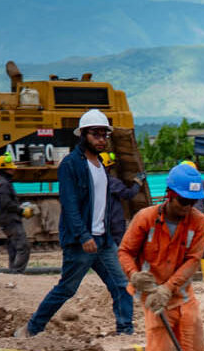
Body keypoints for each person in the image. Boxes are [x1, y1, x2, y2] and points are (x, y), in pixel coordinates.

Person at [17, 109, 134, 337]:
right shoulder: (71, 165)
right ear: (83, 135)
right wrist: (84, 236)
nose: (101, 139)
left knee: (121, 286)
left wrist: (105, 235)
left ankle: (125, 331)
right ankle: (32, 329)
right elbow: (69, 205)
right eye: (95, 134)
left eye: (104, 135)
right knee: (67, 288)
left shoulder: (101, 166)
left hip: (103, 240)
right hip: (83, 242)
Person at [117, 162, 204, 351]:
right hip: (153, 299)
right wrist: (134, 275)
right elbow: (125, 252)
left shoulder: (198, 222)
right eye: (184, 201)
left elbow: (193, 260)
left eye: (193, 202)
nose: (187, 207)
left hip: (182, 296)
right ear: (169, 195)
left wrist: (169, 287)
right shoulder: (145, 219)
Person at [0, 153, 31, 273]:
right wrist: (22, 210)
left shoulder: (3, 183)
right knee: (23, 247)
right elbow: (6, 204)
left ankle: (12, 272)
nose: (13, 170)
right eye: (11, 168)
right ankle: (17, 273)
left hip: (8, 220)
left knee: (14, 247)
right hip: (10, 221)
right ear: (5, 169)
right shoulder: (4, 184)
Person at [99, 151, 147, 246]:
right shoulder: (112, 182)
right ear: (107, 167)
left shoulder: (92, 182)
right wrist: (138, 182)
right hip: (115, 222)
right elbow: (128, 194)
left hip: (100, 223)